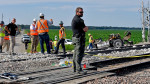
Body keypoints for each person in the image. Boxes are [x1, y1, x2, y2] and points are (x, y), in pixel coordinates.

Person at [72, 7, 88, 75]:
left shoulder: (74, 18)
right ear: (77, 12)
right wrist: (87, 28)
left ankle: (75, 68)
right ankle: (79, 69)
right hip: (79, 39)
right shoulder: (79, 20)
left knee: (75, 53)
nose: (82, 13)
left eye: (82, 12)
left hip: (75, 38)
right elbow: (85, 29)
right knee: (79, 53)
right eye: (80, 12)